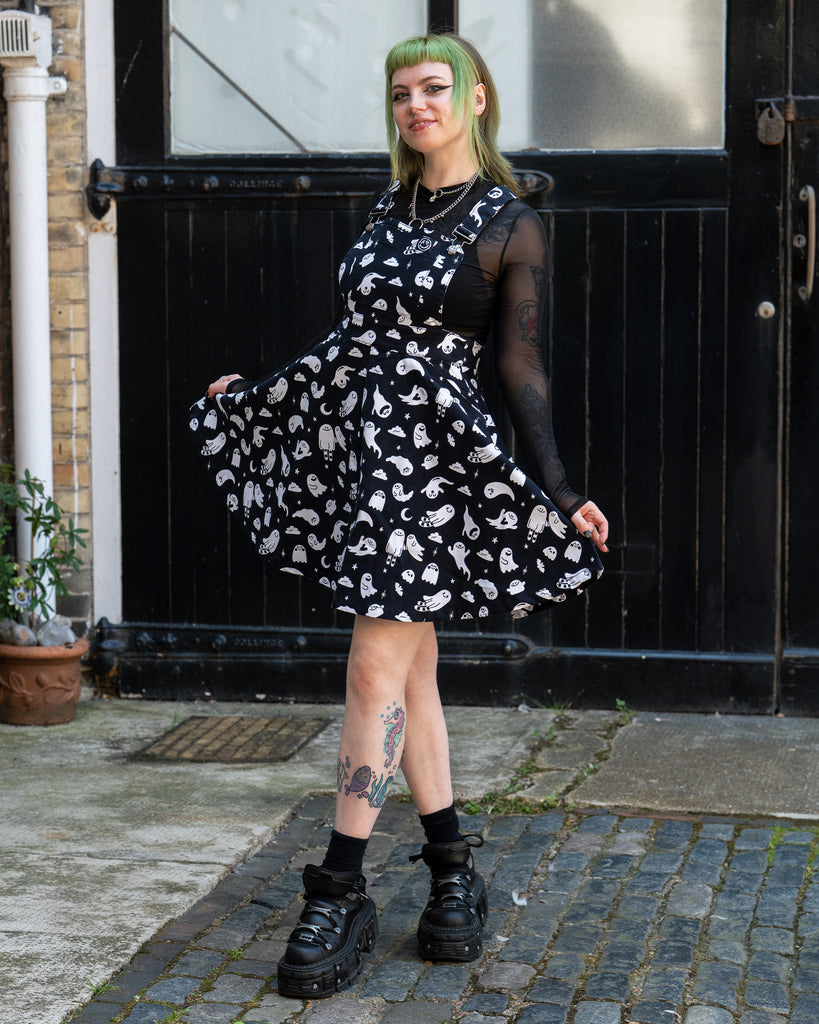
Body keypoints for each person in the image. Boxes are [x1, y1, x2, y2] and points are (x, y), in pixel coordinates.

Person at [190, 32, 608, 999]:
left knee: (372, 664)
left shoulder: (508, 222)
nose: (416, 105)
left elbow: (520, 366)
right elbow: (354, 339)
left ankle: (338, 888)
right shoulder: (389, 207)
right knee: (409, 672)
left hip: (432, 466)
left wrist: (559, 489)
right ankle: (452, 870)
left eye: (433, 88)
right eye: (400, 94)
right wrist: (259, 394)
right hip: (366, 456)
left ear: (475, 97)